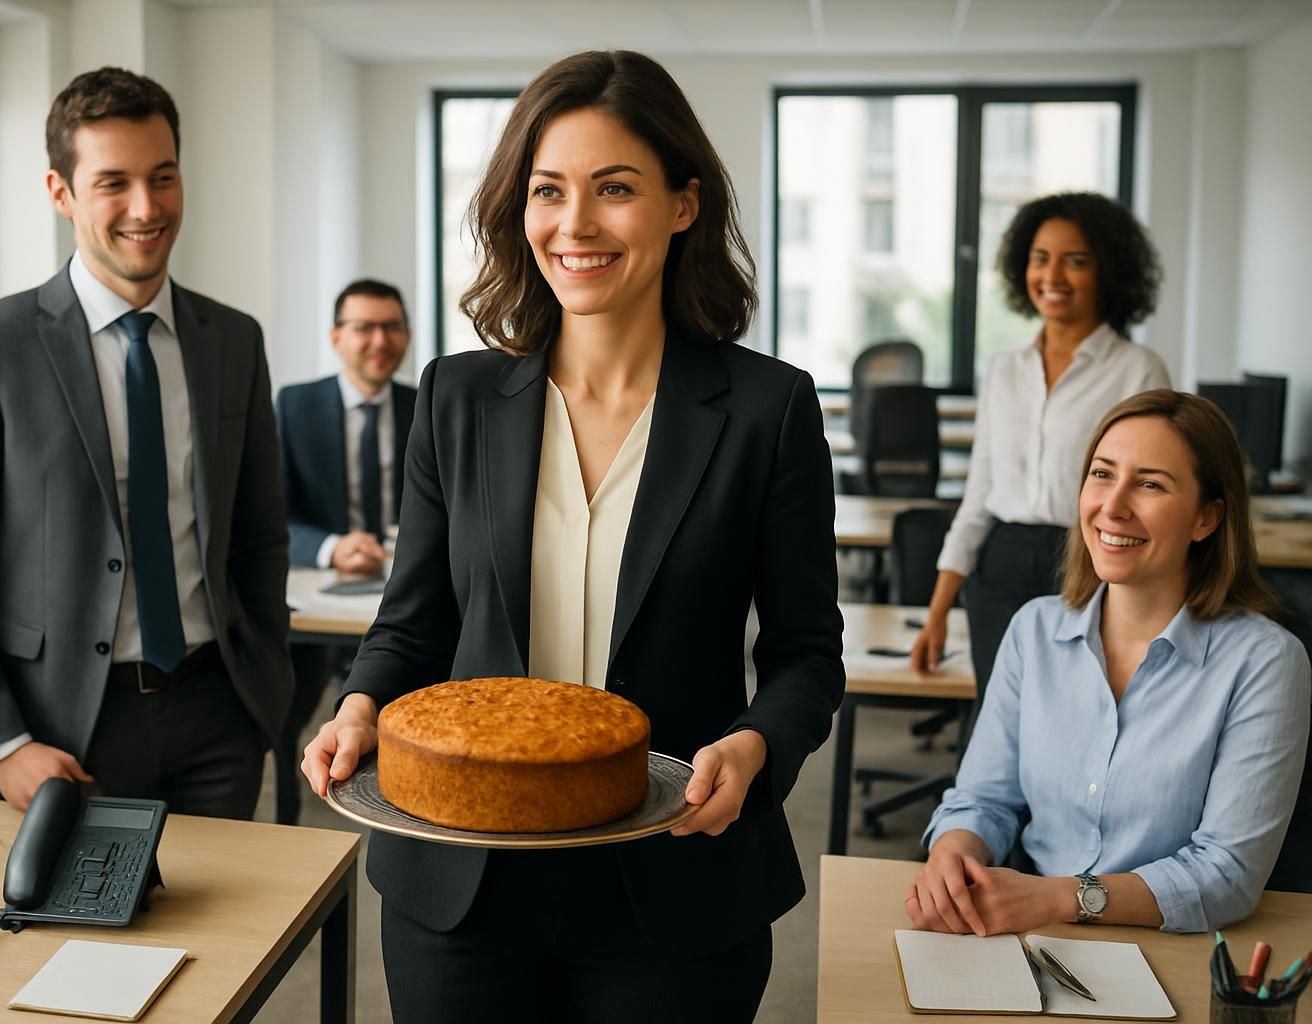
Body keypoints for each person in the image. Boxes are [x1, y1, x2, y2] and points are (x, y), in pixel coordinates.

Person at [303, 49, 844, 1023]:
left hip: (673, 881)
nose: (576, 224)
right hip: (462, 880)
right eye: (548, 191)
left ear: (683, 205)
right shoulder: (457, 400)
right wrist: (358, 707)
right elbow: (412, 623)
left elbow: (807, 654)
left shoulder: (768, 409)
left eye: (616, 189)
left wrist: (758, 743)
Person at [0, 67, 292, 820]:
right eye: (113, 182)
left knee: (234, 939)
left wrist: (264, 693)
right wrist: (1, 742)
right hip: (57, 735)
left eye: (164, 177)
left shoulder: (233, 340)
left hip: (218, 718)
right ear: (61, 192)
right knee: (62, 939)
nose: (146, 208)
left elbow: (259, 533)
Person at [907, 390, 1309, 936]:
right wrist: (954, 853)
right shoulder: (1035, 629)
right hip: (1031, 932)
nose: (1113, 506)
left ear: (1206, 518)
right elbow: (983, 798)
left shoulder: (1265, 662)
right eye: (1102, 474)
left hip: (1175, 947)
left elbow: (1228, 873)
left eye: (1149, 484)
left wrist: (1060, 898)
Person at [911, 192, 1171, 700]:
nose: (1053, 275)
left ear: (1107, 271)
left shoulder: (1138, 370)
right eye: (1040, 257)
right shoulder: (1004, 368)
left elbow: (1149, 495)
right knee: (998, 720)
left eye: (1075, 261)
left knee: (1079, 718)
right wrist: (938, 612)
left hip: (1091, 563)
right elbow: (978, 497)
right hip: (1000, 564)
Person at [273, 278, 416, 823]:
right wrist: (332, 547)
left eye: (392, 327)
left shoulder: (427, 403)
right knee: (290, 706)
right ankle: (291, 811)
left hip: (400, 593)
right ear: (336, 336)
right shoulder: (296, 405)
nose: (380, 340)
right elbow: (273, 515)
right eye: (364, 328)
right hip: (323, 598)